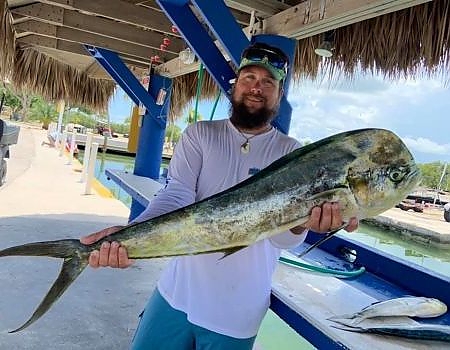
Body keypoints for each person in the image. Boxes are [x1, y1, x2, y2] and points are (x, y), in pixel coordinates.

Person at [81, 42, 359, 349]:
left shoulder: (291, 153)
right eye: (249, 78)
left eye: (268, 83)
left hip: (235, 312)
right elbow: (177, 194)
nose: (257, 88)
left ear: (279, 96)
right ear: (235, 85)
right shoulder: (200, 134)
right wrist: (131, 233)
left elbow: (281, 238)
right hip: (175, 293)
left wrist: (302, 224)